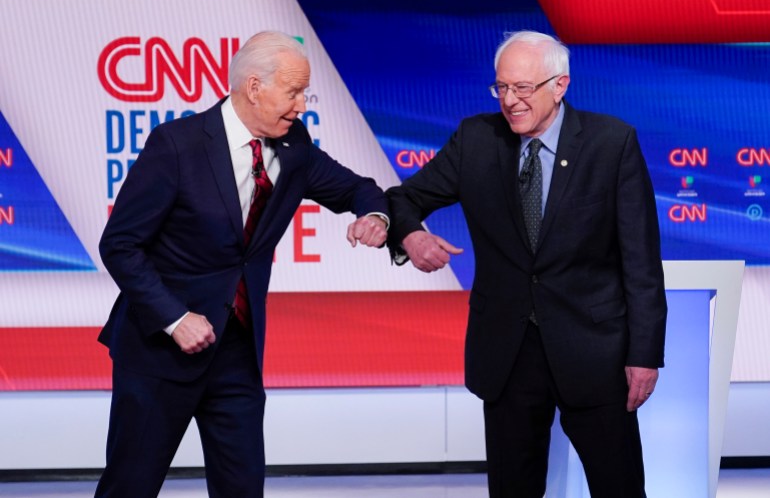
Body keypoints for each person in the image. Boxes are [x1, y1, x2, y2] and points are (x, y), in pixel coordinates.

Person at [96, 31, 388, 498]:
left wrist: (373, 216)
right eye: (293, 92)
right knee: (130, 487)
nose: (301, 105)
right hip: (159, 350)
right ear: (254, 87)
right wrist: (174, 318)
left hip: (236, 354)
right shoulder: (177, 145)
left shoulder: (294, 148)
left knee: (243, 489)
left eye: (304, 94)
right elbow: (120, 245)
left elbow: (357, 188)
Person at [386, 30, 667, 498]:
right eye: (501, 88)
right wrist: (412, 235)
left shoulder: (610, 143)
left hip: (593, 350)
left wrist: (645, 354)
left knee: (618, 486)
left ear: (560, 86)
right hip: (508, 353)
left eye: (523, 88)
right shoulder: (477, 139)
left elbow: (641, 260)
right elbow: (403, 198)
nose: (510, 102)